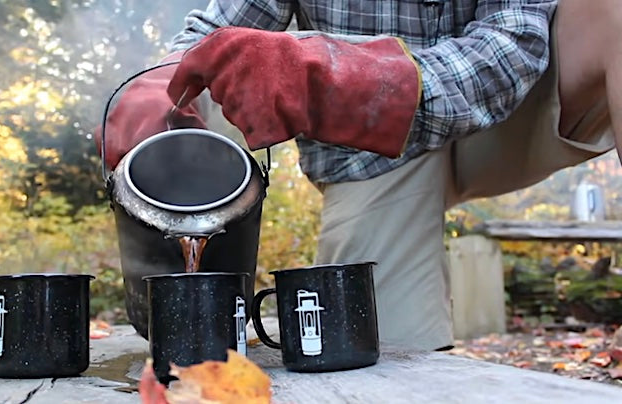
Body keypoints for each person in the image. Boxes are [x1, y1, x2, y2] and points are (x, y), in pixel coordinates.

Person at [98, 0, 622, 351]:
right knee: (377, 355)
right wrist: (156, 87)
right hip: (367, 152)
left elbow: (516, 44)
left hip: (505, 112)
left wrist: (346, 81)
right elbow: (212, 31)